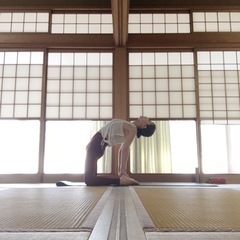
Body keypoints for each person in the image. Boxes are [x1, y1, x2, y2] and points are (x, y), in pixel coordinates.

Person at [84, 116, 156, 186]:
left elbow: (124, 149)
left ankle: (120, 181)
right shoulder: (130, 125)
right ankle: (120, 180)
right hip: (96, 146)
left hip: (96, 146)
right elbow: (122, 150)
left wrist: (122, 172)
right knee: (92, 178)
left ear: (144, 126)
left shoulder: (132, 128)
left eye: (149, 121)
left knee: (90, 180)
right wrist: (121, 172)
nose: (147, 118)